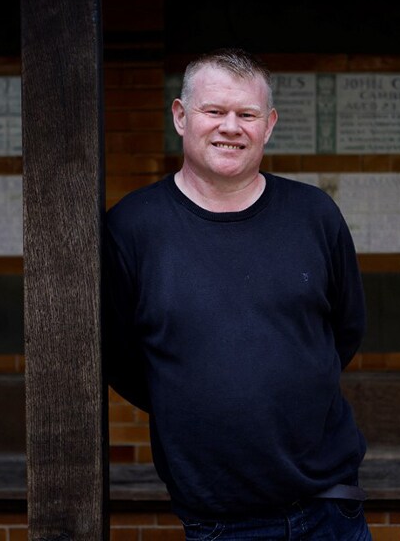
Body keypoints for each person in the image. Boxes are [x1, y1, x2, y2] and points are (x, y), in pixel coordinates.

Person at [103, 48, 371, 540]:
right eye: (214, 111)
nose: (231, 126)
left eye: (246, 114)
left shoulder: (313, 215)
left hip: (330, 508)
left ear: (268, 125)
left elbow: (344, 331)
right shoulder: (132, 228)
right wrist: (193, 396)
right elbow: (118, 359)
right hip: (219, 518)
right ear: (182, 117)